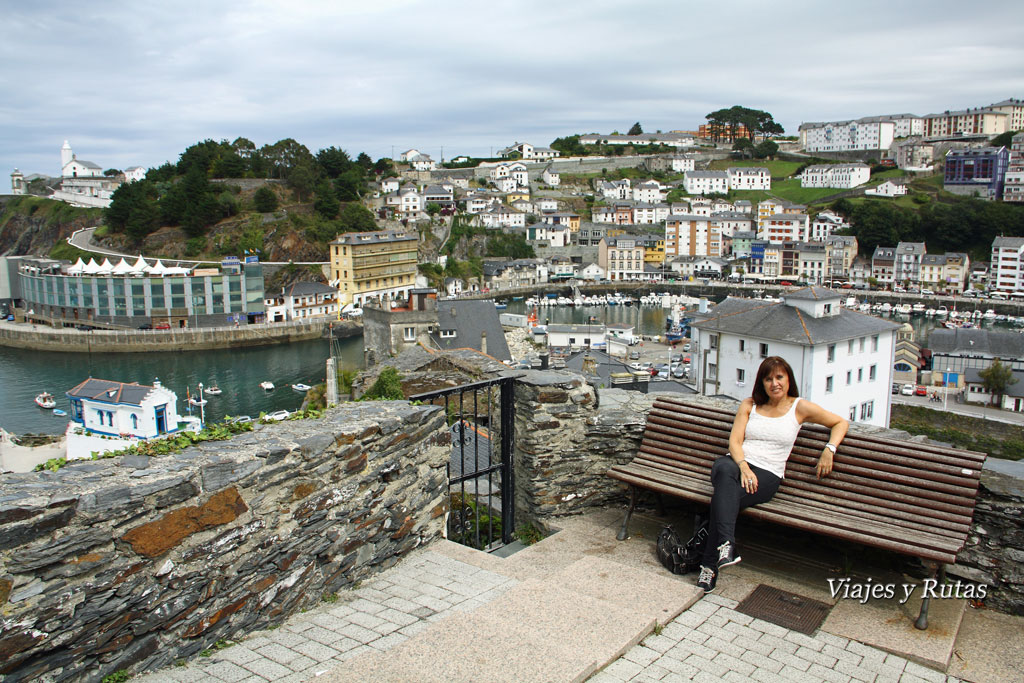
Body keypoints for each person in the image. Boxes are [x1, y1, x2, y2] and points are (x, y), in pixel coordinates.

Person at [696, 356, 848, 594]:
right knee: (724, 468)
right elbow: (735, 442)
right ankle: (725, 546)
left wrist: (830, 449)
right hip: (737, 465)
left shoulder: (800, 407)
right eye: (768, 378)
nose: (774, 383)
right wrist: (744, 468)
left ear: (788, 379)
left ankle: (711, 563)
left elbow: (840, 422)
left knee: (722, 500)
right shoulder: (750, 405)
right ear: (761, 382)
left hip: (768, 474)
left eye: (779, 377)